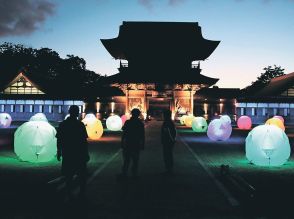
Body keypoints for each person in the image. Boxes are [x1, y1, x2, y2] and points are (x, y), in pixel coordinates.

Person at [56, 105, 89, 197]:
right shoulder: (80, 125)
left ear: (69, 112)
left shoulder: (63, 124)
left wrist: (59, 151)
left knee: (68, 175)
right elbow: (84, 140)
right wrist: (86, 153)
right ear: (77, 113)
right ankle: (82, 192)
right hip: (79, 153)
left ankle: (69, 192)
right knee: (81, 174)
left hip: (68, 152)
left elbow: (59, 139)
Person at [120, 108, 145, 179]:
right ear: (138, 115)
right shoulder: (140, 123)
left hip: (128, 142)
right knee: (135, 160)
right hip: (136, 143)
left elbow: (124, 133)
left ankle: (124, 173)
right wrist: (142, 144)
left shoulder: (128, 122)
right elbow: (142, 135)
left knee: (127, 159)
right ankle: (134, 174)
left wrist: (122, 142)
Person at [161, 110, 176, 175]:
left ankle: (169, 169)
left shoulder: (167, 123)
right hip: (168, 141)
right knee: (168, 154)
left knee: (167, 155)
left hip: (167, 141)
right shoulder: (170, 122)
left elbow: (168, 132)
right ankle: (169, 169)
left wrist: (172, 139)